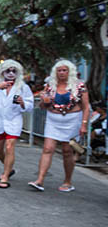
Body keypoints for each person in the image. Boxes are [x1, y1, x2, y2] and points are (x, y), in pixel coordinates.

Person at [28, 59, 91, 192]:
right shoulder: (50, 85)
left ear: (70, 71)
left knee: (67, 151)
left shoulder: (79, 86)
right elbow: (42, 106)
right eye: (59, 70)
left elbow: (86, 107)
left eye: (64, 70)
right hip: (53, 119)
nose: (62, 73)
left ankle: (67, 181)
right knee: (47, 148)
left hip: (73, 119)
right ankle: (39, 180)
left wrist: (84, 125)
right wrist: (45, 101)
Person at [0, 60, 33, 189]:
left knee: (10, 147)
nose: (11, 73)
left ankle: (5, 177)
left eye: (14, 71)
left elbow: (30, 106)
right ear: (3, 72)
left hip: (14, 121)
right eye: (8, 71)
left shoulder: (23, 87)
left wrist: (22, 102)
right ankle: (9, 168)